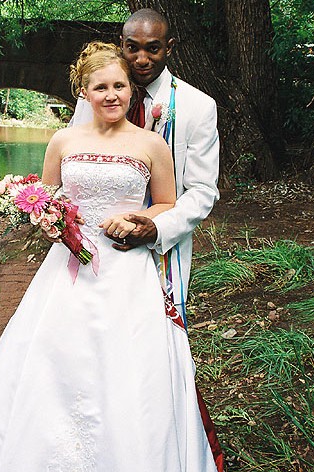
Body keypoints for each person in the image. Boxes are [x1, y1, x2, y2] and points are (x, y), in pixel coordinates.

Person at [0, 42, 228, 472]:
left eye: (118, 86)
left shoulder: (150, 144)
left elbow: (165, 204)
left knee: (125, 370)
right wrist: (37, 213)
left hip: (124, 269)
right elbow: (49, 198)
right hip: (67, 270)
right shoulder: (61, 143)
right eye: (100, 87)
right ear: (84, 92)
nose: (111, 95)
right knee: (51, 364)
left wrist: (136, 219)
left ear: (130, 89)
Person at [71, 9, 220, 318]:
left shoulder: (197, 107)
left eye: (152, 48)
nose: (141, 59)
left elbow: (203, 191)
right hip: (94, 246)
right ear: (121, 45)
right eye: (132, 47)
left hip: (160, 244)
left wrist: (155, 229)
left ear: (169, 47)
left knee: (148, 330)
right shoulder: (97, 97)